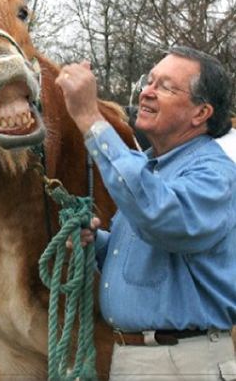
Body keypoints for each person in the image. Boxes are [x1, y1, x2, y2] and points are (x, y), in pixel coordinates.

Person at [56, 46, 236, 380]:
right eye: (148, 81)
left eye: (166, 87)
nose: (146, 92)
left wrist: (89, 119)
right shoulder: (153, 172)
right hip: (141, 358)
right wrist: (96, 243)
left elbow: (161, 218)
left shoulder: (215, 174)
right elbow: (151, 254)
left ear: (201, 113)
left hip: (183, 363)